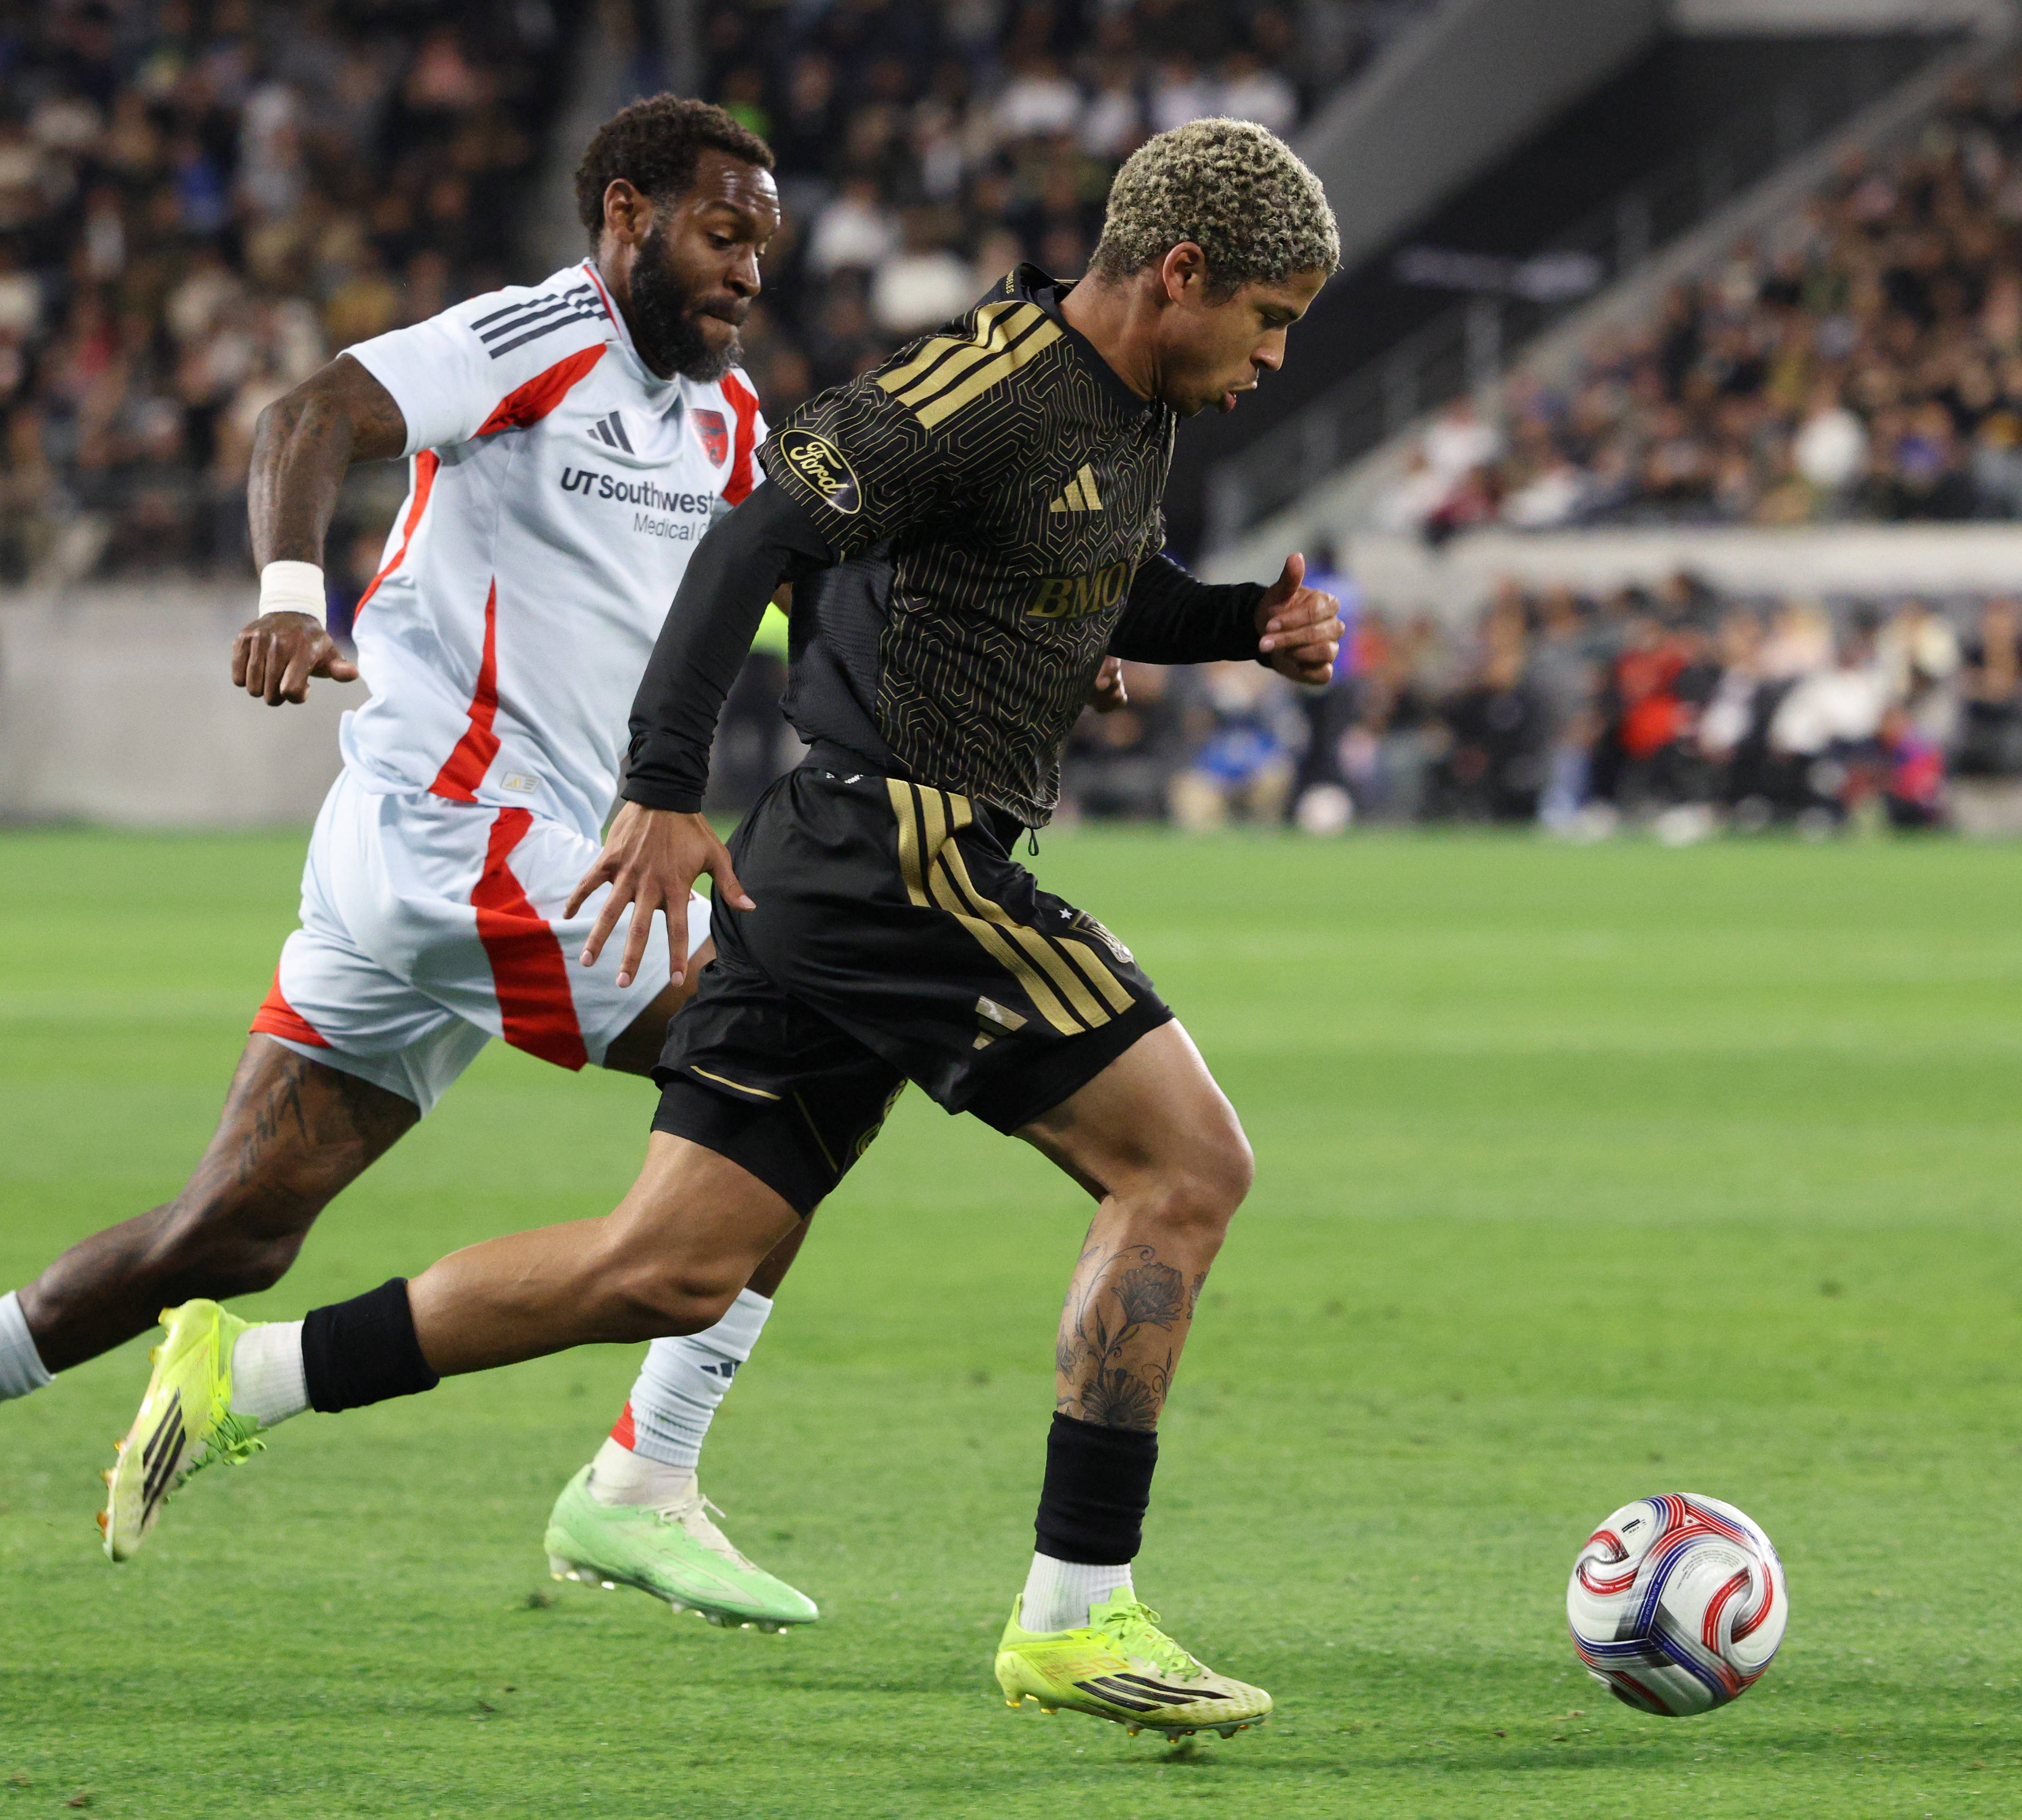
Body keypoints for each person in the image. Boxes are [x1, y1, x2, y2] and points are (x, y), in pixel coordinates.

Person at [106, 119, 1345, 1742]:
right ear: (1178, 273)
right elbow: (758, 531)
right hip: (907, 854)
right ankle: (1072, 1610)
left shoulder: (1120, 408)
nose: (1269, 357)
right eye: (1266, 318)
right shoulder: (984, 381)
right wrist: (662, 785)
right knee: (1188, 1168)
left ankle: (238, 1372)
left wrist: (1238, 622)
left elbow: (1099, 578)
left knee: (668, 1264)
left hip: (828, 875)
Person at [0, 98, 823, 1648]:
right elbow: (308, 411)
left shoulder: (723, 423)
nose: (747, 272)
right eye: (724, 233)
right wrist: (293, 591)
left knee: (223, 1234)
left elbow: (801, 583)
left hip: (455, 864)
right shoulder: (534, 338)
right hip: (467, 840)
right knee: (797, 1051)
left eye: (764, 246)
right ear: (626, 214)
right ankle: (642, 1476)